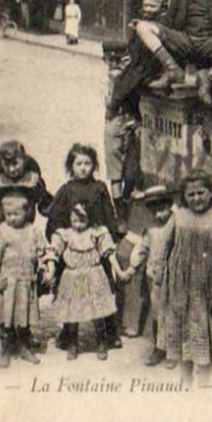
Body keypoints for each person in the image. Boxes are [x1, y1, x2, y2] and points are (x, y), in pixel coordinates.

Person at [152, 170, 212, 380]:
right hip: (179, 288)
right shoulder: (179, 217)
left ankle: (203, 383)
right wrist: (158, 273)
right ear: (184, 196)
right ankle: (185, 381)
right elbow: (163, 245)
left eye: (201, 193)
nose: (196, 198)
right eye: (190, 195)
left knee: (205, 337)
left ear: (211, 193)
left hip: (207, 290)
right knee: (183, 334)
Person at [45, 143, 121, 350]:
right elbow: (55, 220)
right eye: (79, 163)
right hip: (72, 250)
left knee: (101, 291)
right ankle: (68, 335)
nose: (83, 168)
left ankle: (109, 333)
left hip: (96, 249)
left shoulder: (100, 189)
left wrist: (108, 236)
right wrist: (60, 241)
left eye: (88, 163)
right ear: (71, 166)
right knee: (70, 292)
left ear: (94, 165)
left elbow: (109, 215)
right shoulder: (66, 191)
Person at [44, 202, 124, 361]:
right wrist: (51, 269)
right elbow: (54, 252)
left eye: (82, 220)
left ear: (90, 219)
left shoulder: (96, 233)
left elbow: (109, 252)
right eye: (74, 220)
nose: (78, 224)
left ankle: (101, 341)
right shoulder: (65, 234)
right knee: (73, 312)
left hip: (93, 275)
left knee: (98, 311)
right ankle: (72, 343)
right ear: (69, 219)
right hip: (73, 277)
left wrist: (119, 271)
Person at [0, 190, 47, 368]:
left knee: (24, 316)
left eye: (16, 214)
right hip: (8, 284)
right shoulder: (1, 233)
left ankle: (25, 346)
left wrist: (44, 266)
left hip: (25, 283)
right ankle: (5, 348)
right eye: (8, 214)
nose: (12, 218)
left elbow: (42, 250)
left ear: (27, 212)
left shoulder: (32, 231)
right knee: (6, 316)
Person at [121, 184, 177, 366]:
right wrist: (131, 268)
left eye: (161, 209)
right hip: (154, 278)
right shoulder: (151, 228)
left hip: (175, 277)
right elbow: (142, 250)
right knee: (157, 313)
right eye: (153, 210)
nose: (158, 215)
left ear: (169, 206)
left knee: (174, 313)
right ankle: (158, 348)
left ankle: (173, 351)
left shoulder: (176, 224)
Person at [107, 0, 168, 119]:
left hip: (152, 64)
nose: (148, 9)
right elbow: (134, 46)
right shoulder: (141, 21)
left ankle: (115, 106)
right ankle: (128, 113)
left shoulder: (163, 23)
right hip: (139, 62)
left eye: (153, 6)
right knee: (122, 79)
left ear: (163, 7)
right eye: (146, 5)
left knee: (129, 81)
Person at [0, 141, 52, 236]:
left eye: (15, 164)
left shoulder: (32, 181)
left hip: (26, 231)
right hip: (3, 232)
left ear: (23, 160)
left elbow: (46, 204)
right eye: (7, 165)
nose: (11, 169)